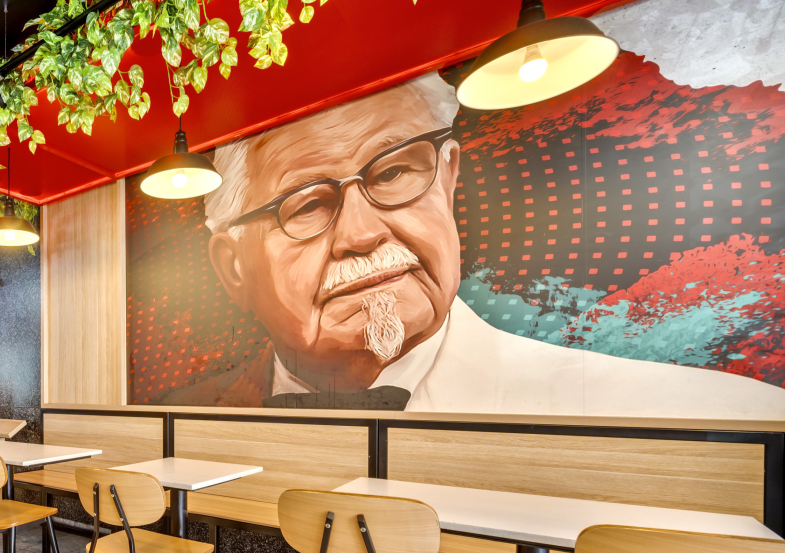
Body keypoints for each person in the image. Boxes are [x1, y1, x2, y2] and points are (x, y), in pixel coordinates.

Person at [162, 74, 785, 419]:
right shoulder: (184, 417)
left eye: (393, 173)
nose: (362, 233)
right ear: (233, 269)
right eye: (306, 205)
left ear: (448, 179)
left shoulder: (721, 419)